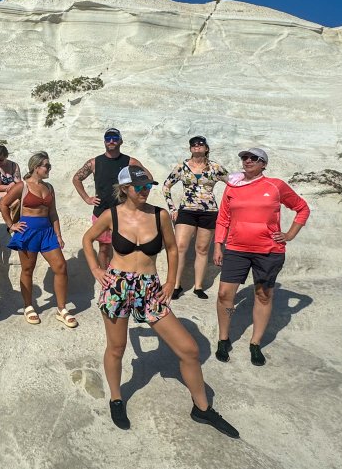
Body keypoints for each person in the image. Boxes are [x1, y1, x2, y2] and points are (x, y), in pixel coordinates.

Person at [82, 166, 239, 438]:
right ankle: (116, 398)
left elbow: (171, 248)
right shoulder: (112, 216)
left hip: (150, 287)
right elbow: (88, 238)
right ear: (124, 189)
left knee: (189, 349)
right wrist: (97, 270)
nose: (145, 192)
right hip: (117, 285)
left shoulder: (159, 215)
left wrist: (169, 282)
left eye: (148, 187)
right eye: (139, 188)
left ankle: (201, 408)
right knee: (117, 348)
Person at [213, 147, 310, 366]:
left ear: (263, 164)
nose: (248, 160)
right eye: (244, 157)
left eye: (254, 158)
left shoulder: (275, 186)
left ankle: (255, 343)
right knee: (224, 295)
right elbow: (223, 219)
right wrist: (218, 246)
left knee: (263, 295)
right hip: (236, 249)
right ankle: (223, 338)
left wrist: (290, 234)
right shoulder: (232, 186)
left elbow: (302, 208)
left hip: (268, 251)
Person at [0, 152, 74, 328]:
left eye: (49, 165)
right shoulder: (22, 186)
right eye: (46, 166)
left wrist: (58, 234)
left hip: (47, 231)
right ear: (35, 167)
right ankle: (28, 306)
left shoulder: (49, 187)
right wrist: (11, 225)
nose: (49, 168)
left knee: (61, 266)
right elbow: (4, 204)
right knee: (28, 269)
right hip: (28, 231)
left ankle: (61, 309)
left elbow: (53, 212)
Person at [73, 128, 154, 271]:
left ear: (121, 141)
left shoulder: (130, 161)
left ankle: (122, 276)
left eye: (115, 138)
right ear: (104, 141)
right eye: (108, 138)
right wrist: (87, 198)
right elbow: (76, 178)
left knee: (124, 248)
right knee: (104, 249)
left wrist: (135, 196)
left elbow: (149, 179)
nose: (111, 141)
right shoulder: (94, 163)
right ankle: (105, 278)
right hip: (101, 213)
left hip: (124, 213)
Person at [161, 135, 229, 300]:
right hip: (186, 211)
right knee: (180, 247)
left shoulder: (215, 167)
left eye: (200, 144)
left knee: (202, 249)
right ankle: (176, 285)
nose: (197, 147)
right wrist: (172, 208)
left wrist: (230, 207)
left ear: (206, 148)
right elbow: (166, 186)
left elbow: (233, 184)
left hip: (209, 211)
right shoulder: (182, 166)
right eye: (193, 145)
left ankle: (198, 287)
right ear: (190, 148)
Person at [0, 144, 21, 210]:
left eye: (1, 160)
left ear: (6, 156)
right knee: (18, 197)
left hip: (10, 192)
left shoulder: (14, 165)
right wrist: (13, 185)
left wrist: (14, 184)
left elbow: (18, 183)